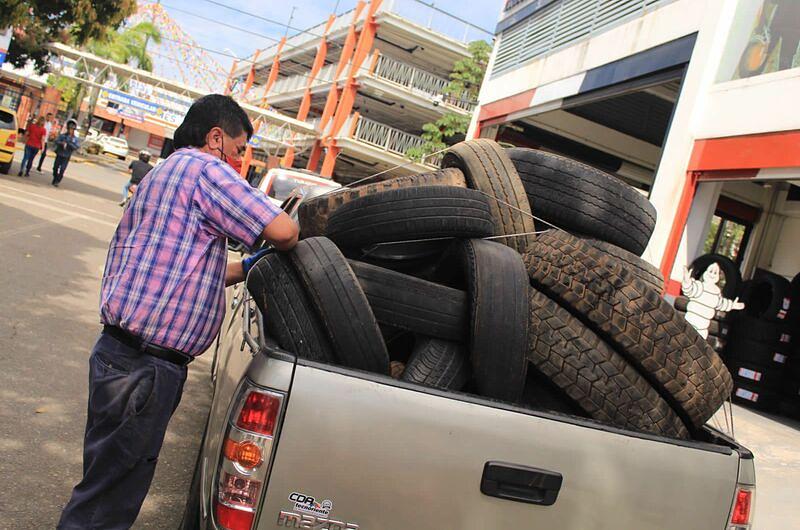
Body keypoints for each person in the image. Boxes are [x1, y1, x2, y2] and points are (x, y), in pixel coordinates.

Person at [57, 94, 298, 529]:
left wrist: (245, 267)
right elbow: (284, 230)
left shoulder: (166, 169)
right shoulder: (207, 169)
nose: (240, 162)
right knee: (109, 499)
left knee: (105, 480)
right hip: (145, 370)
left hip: (119, 355)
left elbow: (182, 267)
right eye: (240, 150)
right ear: (216, 137)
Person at [52, 119, 80, 187]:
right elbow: (56, 141)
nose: (70, 130)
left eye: (72, 129)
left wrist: (69, 143)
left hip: (66, 156)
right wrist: (62, 143)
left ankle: (57, 180)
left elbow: (76, 147)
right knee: (55, 168)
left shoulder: (75, 139)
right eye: (69, 129)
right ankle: (55, 177)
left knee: (62, 169)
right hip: (59, 154)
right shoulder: (63, 135)